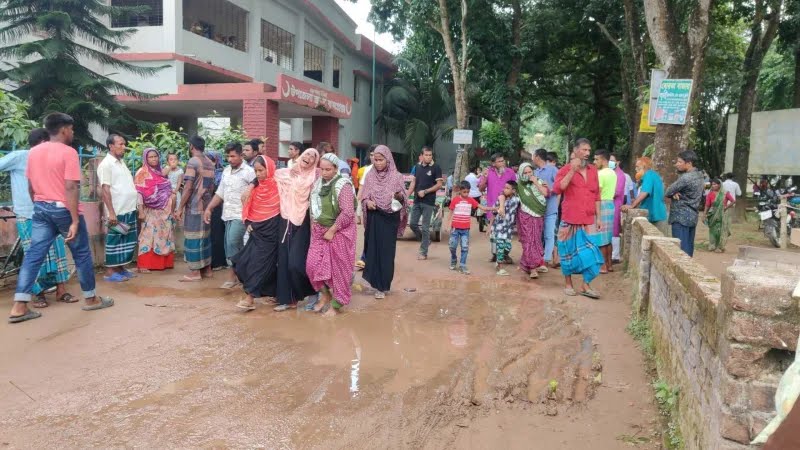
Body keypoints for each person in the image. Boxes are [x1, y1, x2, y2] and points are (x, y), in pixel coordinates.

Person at [9, 112, 114, 323]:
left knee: (34, 256)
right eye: (72, 129)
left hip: (40, 209)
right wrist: (74, 220)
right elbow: (71, 186)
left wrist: (39, 202)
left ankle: (19, 306)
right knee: (82, 254)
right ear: (64, 129)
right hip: (63, 210)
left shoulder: (34, 152)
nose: (73, 133)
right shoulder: (68, 152)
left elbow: (30, 186)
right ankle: (91, 299)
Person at [0, 128, 73, 308]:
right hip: (27, 214)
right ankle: (38, 294)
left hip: (51, 212)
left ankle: (61, 290)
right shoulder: (20, 157)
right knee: (34, 255)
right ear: (42, 142)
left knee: (57, 252)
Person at [552, 138, 604, 299]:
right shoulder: (565, 169)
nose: (587, 153)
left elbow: (596, 195)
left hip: (588, 219)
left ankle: (585, 284)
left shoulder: (593, 170)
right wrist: (572, 171)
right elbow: (558, 188)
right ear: (575, 151)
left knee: (592, 254)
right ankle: (568, 284)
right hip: (569, 218)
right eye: (584, 150)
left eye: (589, 150)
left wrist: (599, 218)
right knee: (567, 252)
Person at [306, 153, 357, 316]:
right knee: (312, 266)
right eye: (322, 169)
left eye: (329, 169)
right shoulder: (318, 184)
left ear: (336, 169)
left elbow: (348, 212)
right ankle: (326, 295)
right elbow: (313, 207)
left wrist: (333, 229)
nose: (325, 173)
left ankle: (336, 305)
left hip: (340, 232)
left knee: (339, 270)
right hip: (320, 232)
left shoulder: (343, 185)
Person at [230, 156, 281, 310]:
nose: (258, 174)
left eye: (261, 170)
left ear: (269, 169)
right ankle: (274, 293)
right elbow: (247, 206)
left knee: (259, 264)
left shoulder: (279, 185)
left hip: (272, 231)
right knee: (243, 261)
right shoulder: (255, 188)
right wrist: (247, 222)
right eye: (256, 171)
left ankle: (250, 297)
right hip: (256, 231)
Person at [273, 148, 320, 312]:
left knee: (297, 263)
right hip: (285, 219)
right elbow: (267, 176)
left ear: (315, 161)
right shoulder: (286, 173)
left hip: (305, 222)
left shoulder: (315, 177)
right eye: (306, 154)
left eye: (313, 156)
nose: (308, 157)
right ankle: (288, 299)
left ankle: (313, 291)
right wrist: (251, 186)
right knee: (284, 261)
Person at [203, 142, 255, 288]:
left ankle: (233, 277)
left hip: (241, 215)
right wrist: (209, 208)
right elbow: (220, 193)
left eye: (233, 156)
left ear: (241, 155)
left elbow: (257, 190)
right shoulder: (226, 171)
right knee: (231, 246)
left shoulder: (249, 172)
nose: (230, 159)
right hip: (227, 215)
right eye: (228, 156)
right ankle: (242, 276)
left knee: (233, 243)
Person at [361, 145, 407, 299]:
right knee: (373, 251)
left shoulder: (397, 176)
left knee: (386, 253)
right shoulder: (370, 176)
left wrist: (398, 196)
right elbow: (364, 196)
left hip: (389, 219)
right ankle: (376, 284)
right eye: (376, 160)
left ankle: (384, 285)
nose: (378, 163)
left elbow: (404, 199)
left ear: (388, 159)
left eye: (381, 160)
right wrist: (367, 202)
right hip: (374, 216)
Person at [97, 133, 139, 282]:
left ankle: (120, 268)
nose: (124, 147)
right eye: (120, 144)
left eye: (124, 144)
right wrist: (112, 213)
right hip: (117, 210)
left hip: (128, 208)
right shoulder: (106, 165)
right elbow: (105, 189)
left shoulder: (121, 163)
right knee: (114, 240)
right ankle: (109, 271)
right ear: (111, 146)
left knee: (126, 240)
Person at [175, 136, 216, 281]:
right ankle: (207, 270)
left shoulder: (193, 162)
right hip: (207, 207)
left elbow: (188, 187)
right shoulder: (210, 163)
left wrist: (179, 208)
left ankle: (195, 273)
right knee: (204, 238)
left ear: (191, 146)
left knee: (192, 238)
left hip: (194, 206)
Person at [134, 148, 176, 272]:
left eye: (155, 156)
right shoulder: (141, 172)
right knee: (148, 236)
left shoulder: (160, 172)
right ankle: (145, 265)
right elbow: (139, 193)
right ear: (145, 159)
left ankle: (163, 264)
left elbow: (166, 189)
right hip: (149, 210)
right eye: (150, 157)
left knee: (164, 236)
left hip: (164, 211)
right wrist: (140, 211)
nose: (153, 159)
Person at [447, 181, 495, 275]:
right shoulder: (455, 200)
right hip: (455, 229)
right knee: (452, 246)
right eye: (464, 192)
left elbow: (482, 208)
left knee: (465, 247)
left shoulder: (471, 200)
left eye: (468, 192)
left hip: (465, 229)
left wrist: (494, 208)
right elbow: (450, 213)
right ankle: (454, 259)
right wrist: (448, 225)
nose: (466, 194)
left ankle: (463, 265)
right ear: (460, 191)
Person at [664, 150, 705, 257]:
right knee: (688, 247)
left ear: (689, 163)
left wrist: (673, 193)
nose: (677, 164)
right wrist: (675, 193)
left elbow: (668, 191)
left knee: (680, 250)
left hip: (680, 217)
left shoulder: (686, 178)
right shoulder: (700, 175)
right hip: (692, 216)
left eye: (680, 162)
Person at [480, 153, 518, 263]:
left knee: (507, 233)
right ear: (493, 164)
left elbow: (515, 188)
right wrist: (485, 177)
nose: (503, 163)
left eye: (503, 160)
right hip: (492, 207)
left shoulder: (510, 172)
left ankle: (505, 254)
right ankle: (495, 254)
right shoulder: (488, 172)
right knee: (493, 233)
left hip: (508, 209)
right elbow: (481, 189)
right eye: (500, 161)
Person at [406, 146, 443, 260]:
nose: (428, 157)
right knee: (412, 224)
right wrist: (406, 195)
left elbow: (439, 185)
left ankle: (423, 252)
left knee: (426, 227)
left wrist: (426, 191)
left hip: (428, 202)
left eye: (430, 155)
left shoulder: (436, 167)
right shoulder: (417, 167)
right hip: (417, 201)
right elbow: (413, 183)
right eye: (426, 155)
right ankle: (426, 241)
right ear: (422, 156)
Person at [517, 162, 549, 279]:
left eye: (530, 172)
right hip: (525, 216)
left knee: (536, 240)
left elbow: (545, 193)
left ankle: (532, 263)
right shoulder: (519, 184)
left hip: (538, 215)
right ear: (520, 173)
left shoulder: (539, 181)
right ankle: (532, 268)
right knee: (528, 241)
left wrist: (535, 182)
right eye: (525, 173)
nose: (528, 174)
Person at [622, 157, 668, 234]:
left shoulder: (649, 175)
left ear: (644, 166)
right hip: (656, 214)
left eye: (637, 167)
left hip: (656, 215)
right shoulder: (651, 175)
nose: (636, 169)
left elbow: (645, 193)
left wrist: (632, 205)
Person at [487, 181, 520, 276]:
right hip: (498, 228)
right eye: (504, 187)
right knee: (501, 247)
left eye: (507, 188)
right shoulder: (500, 200)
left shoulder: (516, 200)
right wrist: (490, 226)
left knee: (507, 247)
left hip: (508, 230)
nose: (504, 189)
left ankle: (500, 258)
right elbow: (493, 214)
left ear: (513, 190)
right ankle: (500, 267)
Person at [532, 148, 559, 266]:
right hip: (538, 210)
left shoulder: (553, 170)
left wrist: (550, 188)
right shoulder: (535, 172)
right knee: (538, 235)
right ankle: (539, 257)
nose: (532, 158)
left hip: (551, 209)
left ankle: (546, 260)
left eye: (533, 156)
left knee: (549, 235)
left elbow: (560, 187)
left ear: (537, 157)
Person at [594, 149, 616, 273]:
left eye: (596, 159)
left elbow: (598, 193)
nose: (595, 161)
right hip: (610, 204)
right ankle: (609, 264)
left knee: (601, 237)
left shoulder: (601, 174)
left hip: (602, 204)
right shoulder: (612, 173)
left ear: (603, 160)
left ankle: (602, 266)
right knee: (608, 237)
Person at [206, 151, 228, 271]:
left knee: (218, 234)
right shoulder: (209, 173)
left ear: (216, 161)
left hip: (219, 207)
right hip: (211, 206)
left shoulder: (222, 173)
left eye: (211, 160)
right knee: (214, 234)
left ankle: (219, 262)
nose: (209, 162)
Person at [704, 178, 735, 253]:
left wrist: (726, 208)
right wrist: (704, 214)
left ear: (719, 185)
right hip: (712, 214)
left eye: (715, 184)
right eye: (712, 184)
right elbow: (707, 205)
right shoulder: (710, 194)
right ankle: (712, 245)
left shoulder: (725, 193)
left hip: (722, 215)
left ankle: (720, 246)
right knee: (712, 230)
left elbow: (733, 201)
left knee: (721, 230)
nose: (713, 185)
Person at [609, 154, 626, 263]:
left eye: (612, 160)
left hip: (615, 204)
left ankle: (615, 256)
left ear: (618, 162)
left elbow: (617, 192)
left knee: (615, 229)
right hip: (610, 204)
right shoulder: (612, 173)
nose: (610, 162)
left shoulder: (620, 175)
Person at [464, 165, 486, 232]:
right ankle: (477, 214)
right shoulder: (476, 178)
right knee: (478, 206)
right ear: (475, 171)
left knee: (469, 206)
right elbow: (479, 184)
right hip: (477, 194)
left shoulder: (466, 177)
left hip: (469, 194)